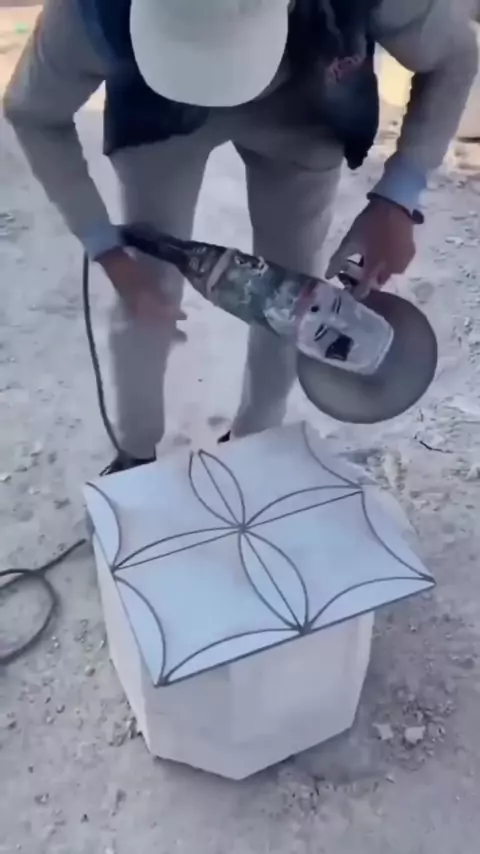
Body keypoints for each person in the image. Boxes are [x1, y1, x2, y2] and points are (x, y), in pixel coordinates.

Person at [3, 0, 477, 471]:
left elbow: (454, 55)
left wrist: (398, 198)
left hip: (304, 102)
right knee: (146, 289)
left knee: (297, 297)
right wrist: (108, 250)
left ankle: (256, 440)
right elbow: (32, 111)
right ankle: (135, 455)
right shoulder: (89, 13)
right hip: (156, 110)